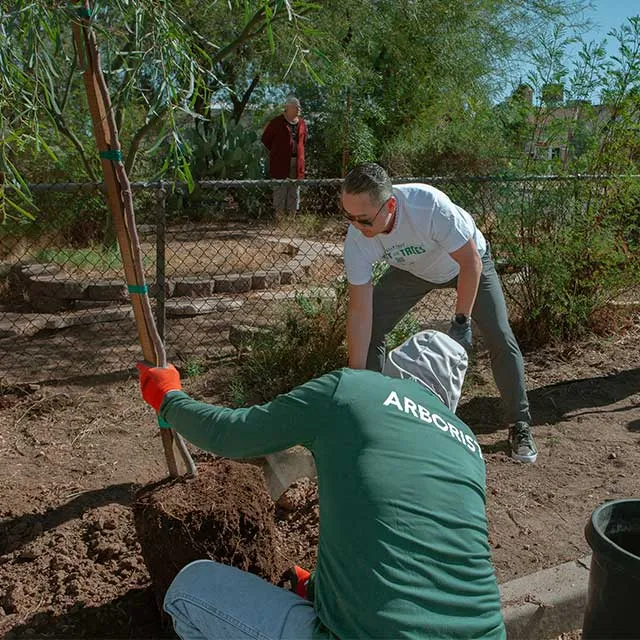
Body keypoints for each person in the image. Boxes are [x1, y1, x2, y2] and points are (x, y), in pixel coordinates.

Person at [136, 330, 506, 639]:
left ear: (389, 371)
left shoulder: (352, 391)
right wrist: (319, 590)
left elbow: (231, 434)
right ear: (448, 403)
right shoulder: (468, 445)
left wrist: (169, 399)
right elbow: (412, 537)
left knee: (189, 589)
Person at [341, 162, 537, 464]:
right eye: (349, 217)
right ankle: (371, 415)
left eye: (364, 219)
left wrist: (461, 321)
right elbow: (359, 312)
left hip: (467, 265)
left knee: (499, 335)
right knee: (372, 330)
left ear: (390, 205)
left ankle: (519, 424)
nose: (356, 226)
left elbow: (469, 262)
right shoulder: (357, 237)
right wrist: (354, 379)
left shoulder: (427, 206)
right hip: (414, 270)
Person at [262, 95, 307, 219]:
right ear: (288, 108)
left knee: (294, 189)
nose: (299, 109)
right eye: (296, 107)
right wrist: (278, 152)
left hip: (297, 162)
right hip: (280, 162)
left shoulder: (302, 123)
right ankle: (279, 217)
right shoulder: (277, 122)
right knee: (280, 188)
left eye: (299, 107)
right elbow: (266, 140)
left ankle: (292, 217)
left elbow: (304, 141)